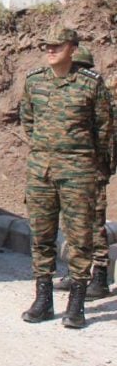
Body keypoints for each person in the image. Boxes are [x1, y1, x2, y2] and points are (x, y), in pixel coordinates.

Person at [20, 27, 112, 328]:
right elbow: (28, 120)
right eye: (46, 46)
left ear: (72, 48)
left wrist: (97, 169)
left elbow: (104, 131)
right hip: (41, 171)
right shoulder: (34, 82)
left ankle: (77, 304)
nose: (50, 50)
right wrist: (47, 151)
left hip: (78, 172)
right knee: (41, 236)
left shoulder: (90, 84)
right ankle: (43, 299)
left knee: (80, 238)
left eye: (57, 46)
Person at [54, 46, 114, 300]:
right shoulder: (71, 95)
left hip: (92, 169)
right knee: (72, 223)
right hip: (71, 169)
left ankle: (99, 277)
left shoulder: (97, 95)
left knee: (93, 222)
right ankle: (78, 272)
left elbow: (107, 137)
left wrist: (102, 169)